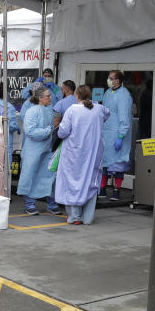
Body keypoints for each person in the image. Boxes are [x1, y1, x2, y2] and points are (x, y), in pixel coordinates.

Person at [54, 85, 109, 225]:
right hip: (93, 152)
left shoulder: (72, 110)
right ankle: (88, 217)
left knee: (72, 182)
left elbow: (62, 132)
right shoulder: (99, 109)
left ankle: (74, 216)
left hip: (74, 153)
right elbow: (107, 114)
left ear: (77, 96)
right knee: (90, 182)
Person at [16, 83, 61, 215]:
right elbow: (30, 131)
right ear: (40, 98)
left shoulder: (49, 109)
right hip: (33, 151)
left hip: (47, 149)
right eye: (47, 96)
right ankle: (29, 204)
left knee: (49, 176)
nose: (50, 98)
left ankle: (52, 204)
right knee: (30, 176)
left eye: (50, 96)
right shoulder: (32, 111)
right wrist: (49, 130)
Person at [100, 70, 133, 201]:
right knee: (104, 163)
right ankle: (102, 188)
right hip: (106, 133)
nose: (108, 80)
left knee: (118, 164)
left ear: (118, 80)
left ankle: (116, 190)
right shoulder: (108, 93)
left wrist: (121, 136)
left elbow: (125, 118)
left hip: (117, 134)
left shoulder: (124, 95)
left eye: (111, 78)